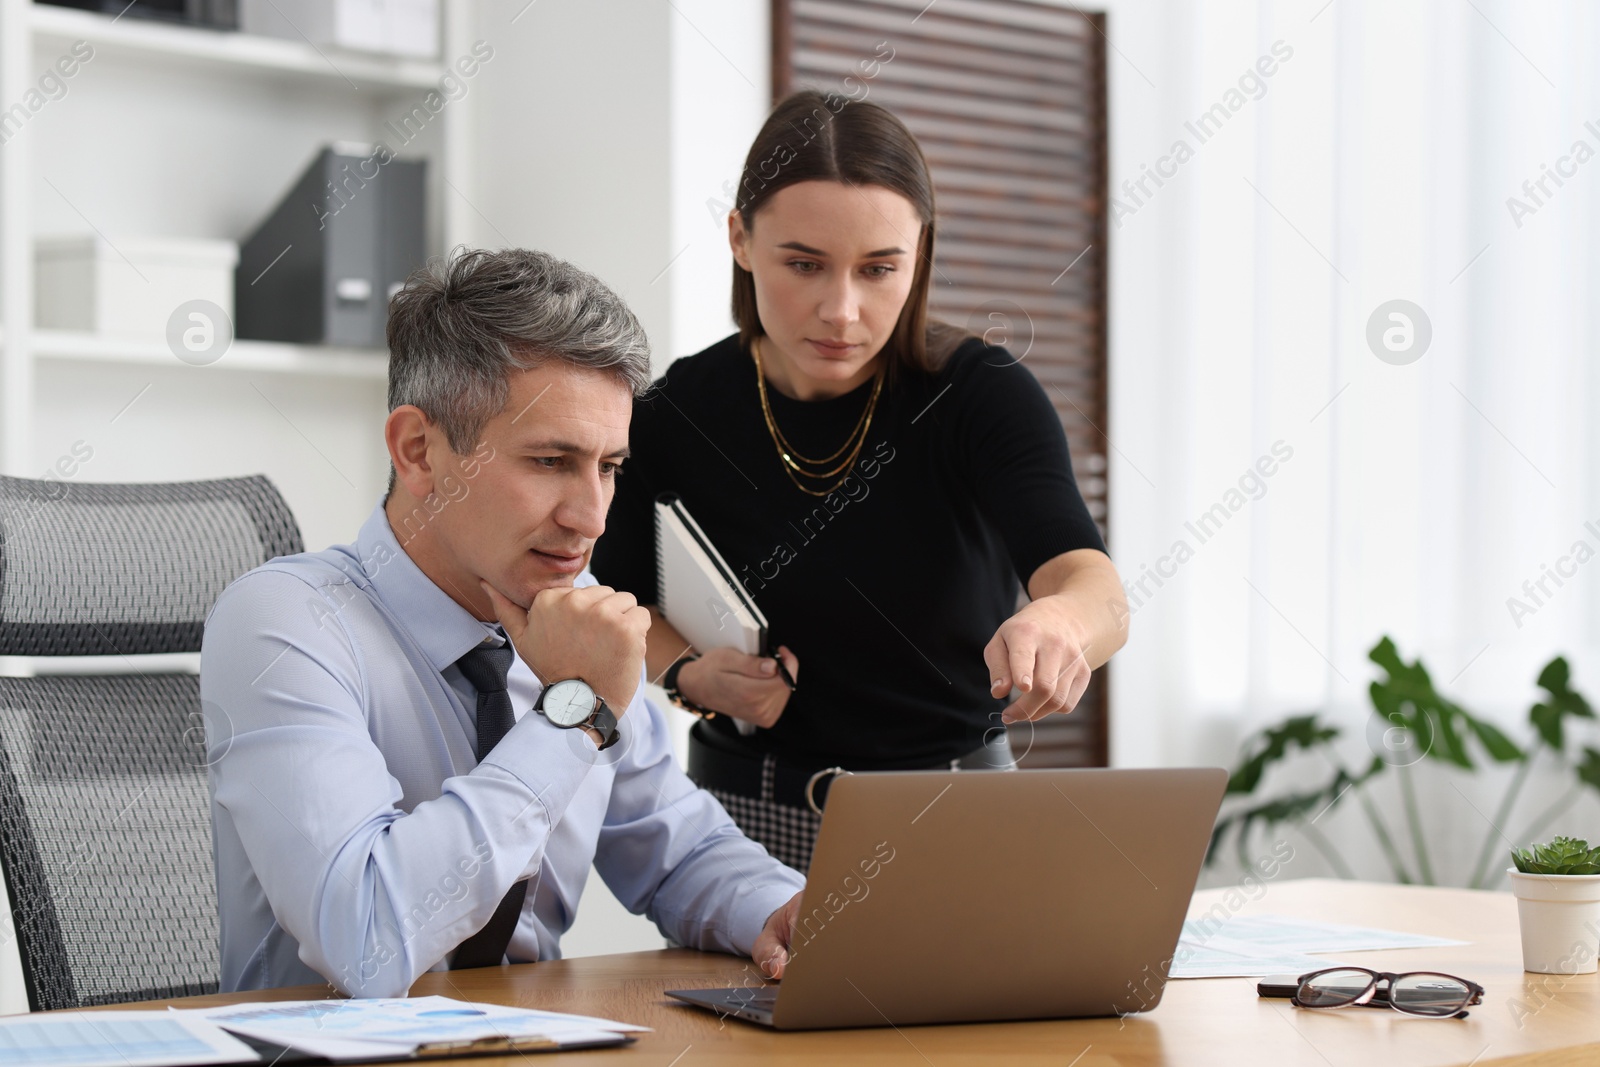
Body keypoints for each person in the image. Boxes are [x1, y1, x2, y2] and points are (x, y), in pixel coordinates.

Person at [200, 248, 806, 997]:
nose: (591, 518)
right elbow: (366, 937)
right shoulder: (286, 622)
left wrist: (783, 909)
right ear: (418, 451)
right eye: (551, 460)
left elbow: (679, 850)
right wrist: (573, 712)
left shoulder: (568, 607)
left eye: (609, 466)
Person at [591, 90, 1129, 874]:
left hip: (957, 812)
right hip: (739, 821)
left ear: (921, 252)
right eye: (804, 264)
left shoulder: (977, 394)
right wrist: (689, 672)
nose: (841, 311)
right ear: (740, 238)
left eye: (880, 269)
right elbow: (620, 601)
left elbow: (1096, 587)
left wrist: (1062, 625)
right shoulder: (677, 410)